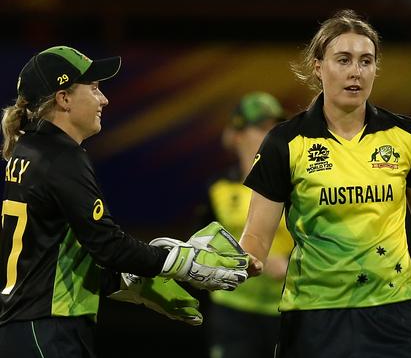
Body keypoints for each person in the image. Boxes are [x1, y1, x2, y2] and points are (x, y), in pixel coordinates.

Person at [238, 10, 411, 358]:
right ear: (318, 67)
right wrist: (246, 262)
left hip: (394, 314)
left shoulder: (407, 136)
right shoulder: (284, 142)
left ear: (376, 68)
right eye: (343, 60)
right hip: (313, 316)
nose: (355, 72)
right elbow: (257, 236)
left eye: (366, 61)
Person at [0, 46, 249, 358]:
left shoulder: (32, 149)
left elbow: (59, 252)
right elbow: (107, 244)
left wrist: (131, 282)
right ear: (63, 98)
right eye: (93, 89)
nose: (103, 99)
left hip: (31, 327)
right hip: (48, 329)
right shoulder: (62, 157)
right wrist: (179, 262)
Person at [202, 92, 293, 358]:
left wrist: (291, 264)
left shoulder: (297, 187)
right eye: (262, 127)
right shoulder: (218, 188)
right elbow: (201, 243)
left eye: (276, 128)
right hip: (233, 310)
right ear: (237, 134)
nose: (271, 135)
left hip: (285, 309)